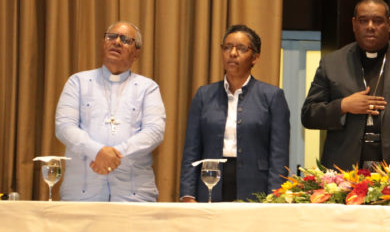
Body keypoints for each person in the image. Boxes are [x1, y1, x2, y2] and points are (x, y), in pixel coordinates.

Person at [301, 0, 390, 171]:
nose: (370, 26)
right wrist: (343, 106)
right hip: (343, 171)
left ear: (389, 24)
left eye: (377, 21)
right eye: (363, 21)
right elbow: (309, 115)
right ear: (354, 24)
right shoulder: (332, 63)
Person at [55, 21, 166, 201]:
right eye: (111, 37)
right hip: (81, 193)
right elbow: (64, 126)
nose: (117, 42)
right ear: (103, 43)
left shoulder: (148, 88)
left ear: (136, 52)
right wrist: (97, 152)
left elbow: (154, 132)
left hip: (134, 194)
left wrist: (113, 155)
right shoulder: (78, 82)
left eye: (126, 40)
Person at [179, 25, 290, 202]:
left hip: (255, 184)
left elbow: (279, 155)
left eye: (241, 48)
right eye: (227, 47)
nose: (232, 53)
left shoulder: (272, 96)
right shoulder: (204, 95)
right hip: (210, 182)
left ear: (255, 57)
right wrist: (187, 193)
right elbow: (191, 150)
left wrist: (275, 196)